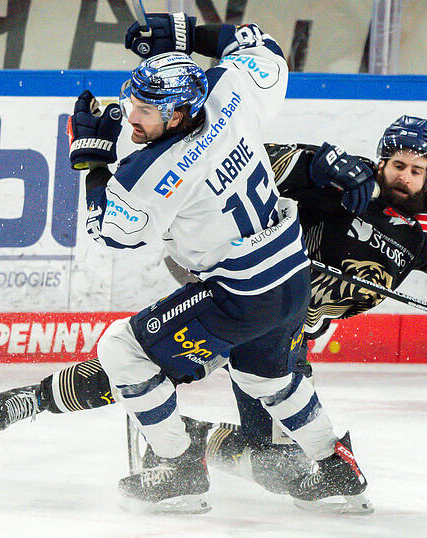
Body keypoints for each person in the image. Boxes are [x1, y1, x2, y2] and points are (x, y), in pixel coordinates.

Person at [0, 116, 427, 508]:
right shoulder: (345, 179)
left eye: (417, 170)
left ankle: (196, 441)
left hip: (290, 322)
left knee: (277, 465)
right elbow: (236, 163)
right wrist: (317, 168)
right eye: (396, 165)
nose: (405, 178)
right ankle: (46, 399)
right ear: (380, 160)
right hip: (242, 283)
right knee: (149, 360)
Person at [51, 12, 365, 514]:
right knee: (269, 380)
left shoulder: (152, 170)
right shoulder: (229, 87)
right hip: (290, 273)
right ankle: (335, 466)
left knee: (121, 349)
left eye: (147, 111)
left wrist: (90, 160)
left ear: (178, 116)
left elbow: (110, 232)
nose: (132, 116)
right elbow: (264, 47)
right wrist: (186, 34)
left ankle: (178, 468)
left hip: (242, 291)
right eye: (133, 99)